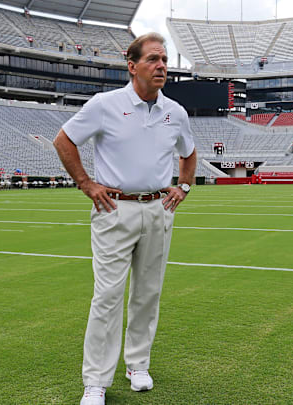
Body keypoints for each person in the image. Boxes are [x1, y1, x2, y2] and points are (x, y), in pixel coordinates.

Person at [53, 32, 197, 405]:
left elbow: (189, 152)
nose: (161, 66)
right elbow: (64, 140)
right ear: (132, 66)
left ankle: (137, 365)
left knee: (148, 293)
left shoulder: (175, 112)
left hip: (158, 209)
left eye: (164, 59)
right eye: (152, 59)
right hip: (114, 209)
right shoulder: (105, 104)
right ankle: (96, 381)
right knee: (107, 295)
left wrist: (183, 187)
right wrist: (85, 183)